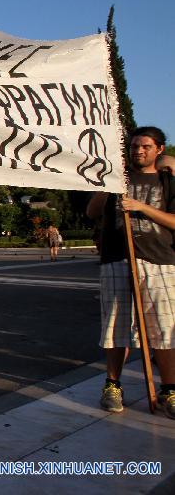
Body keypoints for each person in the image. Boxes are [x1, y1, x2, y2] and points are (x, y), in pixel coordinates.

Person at [87, 126, 175, 418]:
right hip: (117, 258)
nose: (138, 151)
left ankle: (169, 389)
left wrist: (141, 207)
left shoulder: (166, 181)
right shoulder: (117, 180)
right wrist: (108, 183)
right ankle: (112, 384)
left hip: (159, 259)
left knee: (163, 329)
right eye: (134, 146)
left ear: (159, 149)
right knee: (116, 327)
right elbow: (92, 211)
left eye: (145, 146)